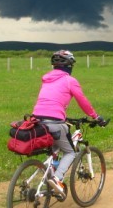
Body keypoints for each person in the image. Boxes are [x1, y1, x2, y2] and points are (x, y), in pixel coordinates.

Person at [32, 49, 106, 196]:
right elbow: (83, 101)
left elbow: (50, 102)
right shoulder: (69, 80)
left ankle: (49, 177)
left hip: (37, 120)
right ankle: (57, 179)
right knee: (70, 152)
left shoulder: (46, 79)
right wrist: (96, 117)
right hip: (54, 121)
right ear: (70, 66)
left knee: (55, 149)